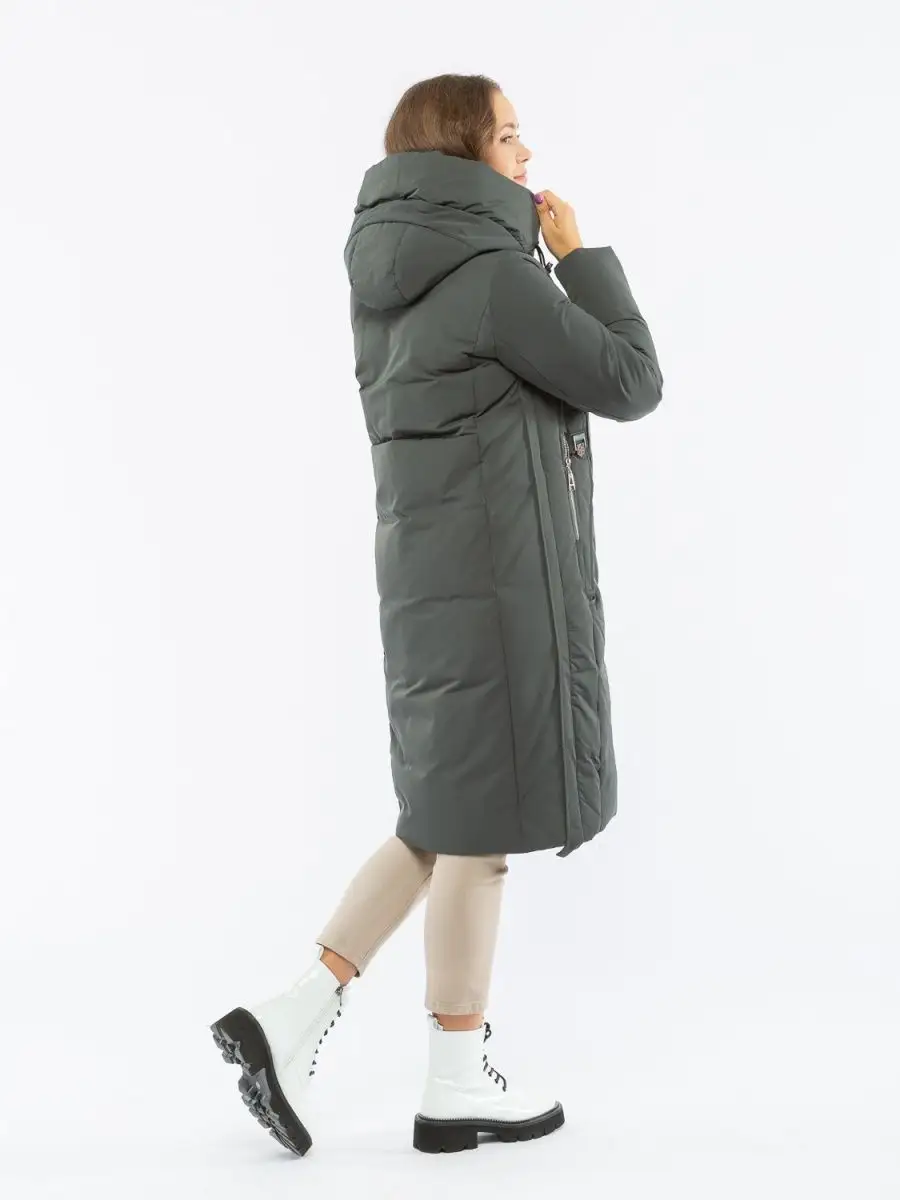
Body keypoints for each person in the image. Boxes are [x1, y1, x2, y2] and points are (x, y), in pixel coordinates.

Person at [210, 73, 663, 1158]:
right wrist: (580, 258)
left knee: (443, 819)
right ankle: (452, 1075)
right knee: (474, 836)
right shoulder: (497, 277)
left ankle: (300, 1014)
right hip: (498, 594)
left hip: (426, 584)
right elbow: (630, 379)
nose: (527, 153)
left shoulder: (387, 276)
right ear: (464, 154)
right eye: (508, 135)